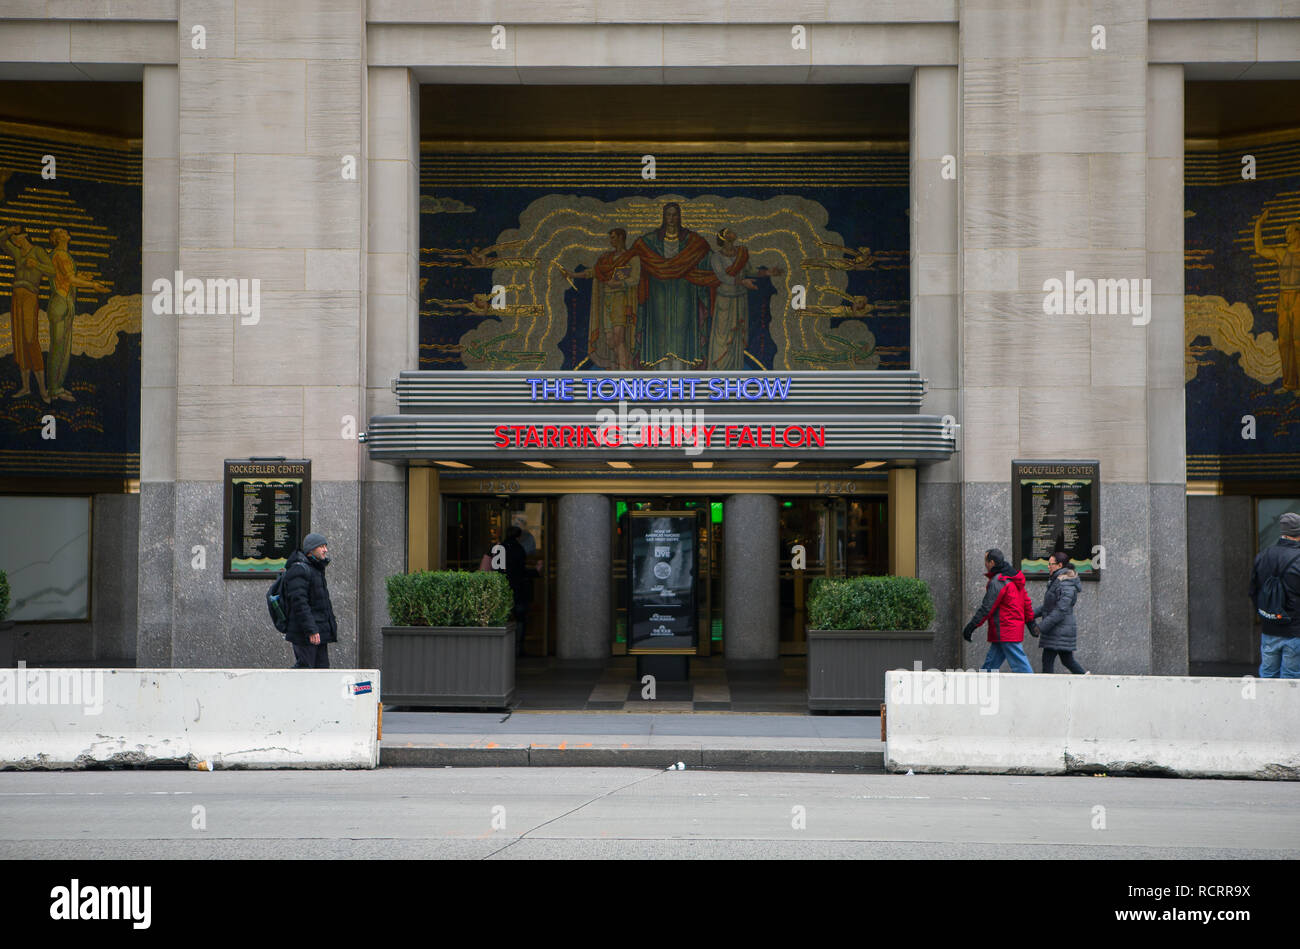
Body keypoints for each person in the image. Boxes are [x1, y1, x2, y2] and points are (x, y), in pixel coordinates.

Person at [962, 547, 1035, 673]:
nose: (984, 564)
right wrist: (1031, 622)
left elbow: (987, 607)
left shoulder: (998, 581)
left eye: (986, 560)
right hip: (1007, 631)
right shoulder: (1013, 578)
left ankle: (1034, 689)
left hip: (1006, 630)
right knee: (990, 665)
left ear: (992, 563)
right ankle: (981, 688)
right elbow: (1026, 602)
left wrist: (972, 626)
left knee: (1021, 667)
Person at [2, 224, 54, 401]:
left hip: (30, 296)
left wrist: (37, 264)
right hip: (16, 296)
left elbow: (53, 271)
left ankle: (42, 389)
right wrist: (9, 230)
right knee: (19, 340)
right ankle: (25, 387)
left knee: (30, 338)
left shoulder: (37, 251)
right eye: (14, 238)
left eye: (17, 237)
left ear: (25, 236)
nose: (15, 240)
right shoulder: (17, 253)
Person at [1249, 511, 1300, 679]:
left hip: (1269, 628)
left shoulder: (1263, 556)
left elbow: (1253, 591)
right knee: (1291, 678)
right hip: (1295, 630)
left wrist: (1267, 614)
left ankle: (1267, 706)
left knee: (1268, 676)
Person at [283, 531, 338, 669]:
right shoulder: (299, 569)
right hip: (305, 634)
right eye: (322, 546)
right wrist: (311, 630)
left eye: (325, 546)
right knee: (305, 672)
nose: (325, 550)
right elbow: (299, 604)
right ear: (311, 550)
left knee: (321, 672)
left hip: (318, 634)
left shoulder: (316, 569)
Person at [1034, 551, 1088, 674]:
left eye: (1050, 564)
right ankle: (1086, 679)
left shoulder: (1065, 583)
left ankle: (1049, 688)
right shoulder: (1058, 581)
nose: (1048, 566)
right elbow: (1048, 607)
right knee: (1066, 660)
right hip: (1057, 629)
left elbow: (1060, 609)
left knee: (1049, 660)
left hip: (1059, 629)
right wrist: (1029, 614)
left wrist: (1041, 627)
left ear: (1059, 565)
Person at [498, 525, 539, 657]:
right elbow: (521, 571)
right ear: (519, 536)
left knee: (504, 617)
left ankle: (503, 648)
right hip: (518, 589)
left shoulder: (500, 548)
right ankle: (518, 648)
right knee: (520, 618)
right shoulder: (519, 549)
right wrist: (536, 571)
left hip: (502, 588)